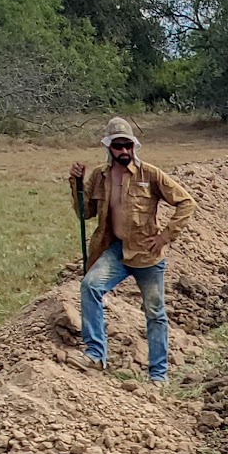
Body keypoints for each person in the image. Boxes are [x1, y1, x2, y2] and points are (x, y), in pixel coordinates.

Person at [69, 117, 199, 384]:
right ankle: (95, 354)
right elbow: (86, 214)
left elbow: (186, 202)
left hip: (147, 256)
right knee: (90, 286)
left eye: (128, 145)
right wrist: (76, 186)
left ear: (134, 146)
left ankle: (158, 376)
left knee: (155, 313)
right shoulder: (99, 177)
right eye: (118, 146)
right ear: (109, 148)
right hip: (116, 251)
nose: (124, 151)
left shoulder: (150, 174)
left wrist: (165, 237)